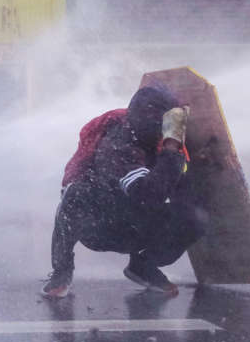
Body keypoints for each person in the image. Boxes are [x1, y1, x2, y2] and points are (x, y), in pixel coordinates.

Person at [43, 84, 204, 299]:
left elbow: (178, 190)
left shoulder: (161, 144)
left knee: (195, 218)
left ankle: (144, 266)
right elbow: (148, 195)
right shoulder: (119, 145)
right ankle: (62, 271)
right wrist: (172, 146)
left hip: (138, 221)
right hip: (101, 227)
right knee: (75, 195)